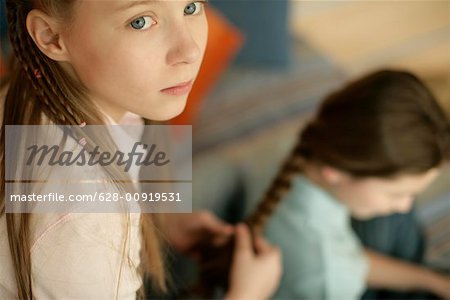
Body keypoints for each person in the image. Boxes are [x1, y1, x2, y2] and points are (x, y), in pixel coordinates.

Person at [0, 0, 281, 299]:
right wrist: (246, 294)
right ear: (49, 37)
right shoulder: (82, 226)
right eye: (140, 22)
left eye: (191, 7)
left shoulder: (37, 89)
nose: (189, 50)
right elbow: (75, 225)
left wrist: (158, 221)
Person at [245, 70, 450, 299]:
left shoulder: (302, 146)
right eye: (397, 194)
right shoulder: (326, 279)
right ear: (336, 171)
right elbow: (341, 264)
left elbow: (349, 258)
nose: (405, 206)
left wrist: (435, 282)